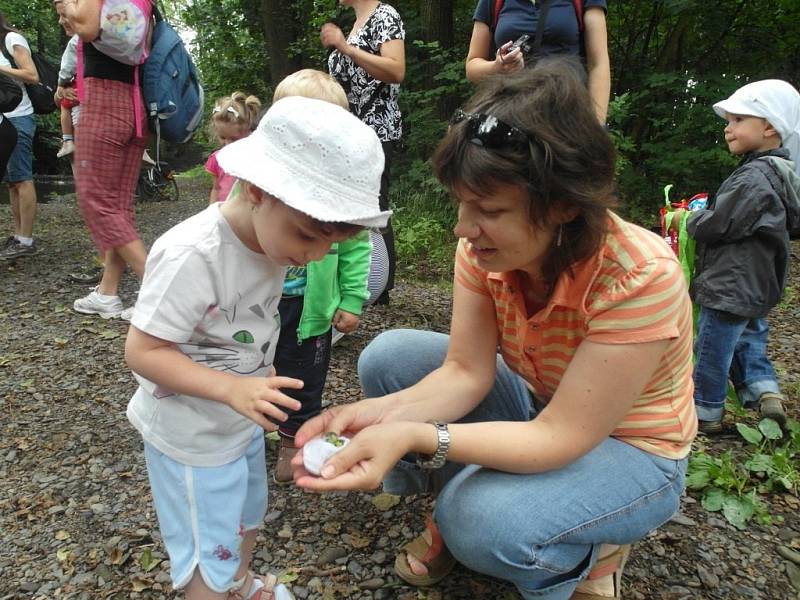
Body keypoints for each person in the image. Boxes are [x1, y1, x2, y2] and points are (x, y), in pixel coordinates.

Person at [292, 61, 696, 600]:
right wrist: (368, 417)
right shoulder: (484, 253)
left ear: (564, 206)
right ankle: (482, 499)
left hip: (632, 450)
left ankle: (581, 557)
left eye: (488, 209)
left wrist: (416, 434)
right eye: (462, 203)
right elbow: (465, 372)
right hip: (543, 407)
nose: (463, 228)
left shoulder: (637, 277)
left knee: (481, 524)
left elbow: (563, 436)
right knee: (391, 356)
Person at [124, 96, 391, 600]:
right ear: (256, 190)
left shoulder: (270, 243)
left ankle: (241, 584)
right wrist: (231, 388)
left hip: (238, 420)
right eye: (309, 237)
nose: (314, 256)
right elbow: (143, 352)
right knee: (207, 548)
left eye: (329, 247)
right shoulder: (193, 255)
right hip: (192, 438)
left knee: (246, 517)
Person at [669, 80, 800, 434]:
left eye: (738, 119)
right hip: (758, 282)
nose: (728, 128)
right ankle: (765, 392)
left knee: (712, 344)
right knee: (749, 339)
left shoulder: (754, 177)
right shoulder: (780, 172)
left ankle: (706, 410)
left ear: (770, 126)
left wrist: (688, 219)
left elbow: (720, 224)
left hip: (731, 281)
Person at [269, 69, 374, 484]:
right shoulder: (263, 181)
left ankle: (293, 437)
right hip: (261, 304)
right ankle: (248, 425)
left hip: (310, 309)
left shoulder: (341, 191)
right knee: (256, 366)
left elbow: (356, 247)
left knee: (303, 378)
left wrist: (351, 300)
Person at [57, 0, 149, 320]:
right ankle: (108, 293)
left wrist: (67, 6)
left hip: (103, 103)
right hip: (135, 106)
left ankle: (160, 293)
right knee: (119, 205)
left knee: (96, 199)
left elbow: (86, 25)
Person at [322, 0, 405, 304]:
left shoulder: (385, 15)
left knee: (373, 204)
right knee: (351, 203)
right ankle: (357, 281)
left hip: (375, 131)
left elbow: (396, 70)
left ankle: (380, 287)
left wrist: (347, 48)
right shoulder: (356, 24)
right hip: (349, 131)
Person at [466, 0, 611, 122]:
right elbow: (472, 67)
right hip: (510, 116)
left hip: (567, 117)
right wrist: (497, 67)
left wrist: (597, 125)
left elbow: (598, 63)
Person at [0, 10, 40, 260]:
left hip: (19, 116)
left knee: (22, 177)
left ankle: (26, 239)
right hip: (5, 119)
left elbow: (32, 75)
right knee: (12, 180)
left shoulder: (12, 39)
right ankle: (18, 236)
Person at [206, 91, 261, 204]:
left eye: (234, 139)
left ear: (249, 131)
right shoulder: (217, 159)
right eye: (222, 137)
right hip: (226, 213)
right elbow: (216, 188)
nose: (227, 144)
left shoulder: (257, 157)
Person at [55, 32, 80, 159]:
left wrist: (61, 86)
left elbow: (66, 70)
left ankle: (67, 140)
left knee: (64, 106)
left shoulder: (77, 40)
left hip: (79, 90)